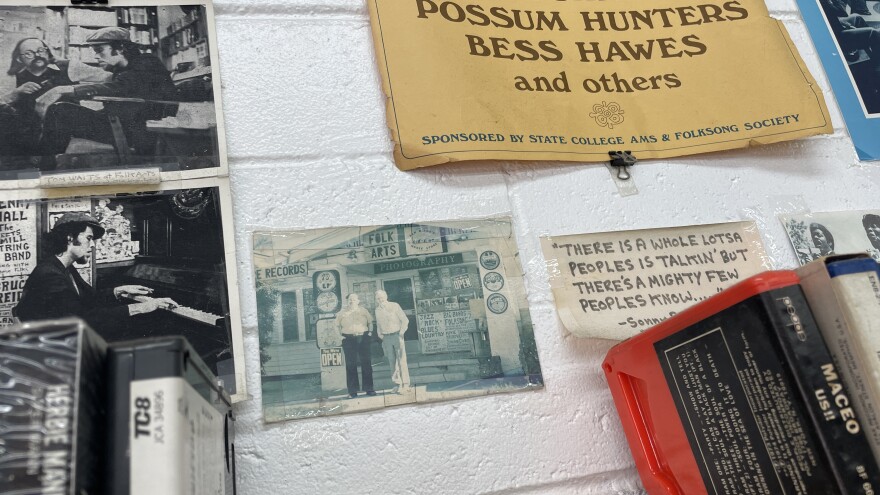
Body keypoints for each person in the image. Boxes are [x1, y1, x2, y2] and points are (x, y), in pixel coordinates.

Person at [35, 27, 176, 169]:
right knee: (62, 110)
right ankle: (48, 164)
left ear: (120, 48)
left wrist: (63, 89)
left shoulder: (146, 61)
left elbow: (118, 87)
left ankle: (44, 168)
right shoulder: (123, 70)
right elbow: (119, 89)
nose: (96, 57)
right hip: (122, 125)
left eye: (99, 50)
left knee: (60, 111)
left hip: (140, 133)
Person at [14, 212, 177, 331]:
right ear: (70, 238)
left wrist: (119, 290)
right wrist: (141, 308)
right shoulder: (50, 274)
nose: (92, 246)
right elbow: (84, 319)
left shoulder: (62, 266)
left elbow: (88, 298)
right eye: (89, 238)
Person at [0, 38, 75, 161]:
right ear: (19, 58)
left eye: (40, 50)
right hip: (27, 133)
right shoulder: (13, 76)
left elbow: (110, 79)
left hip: (61, 129)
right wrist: (16, 92)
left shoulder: (68, 67)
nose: (37, 55)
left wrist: (67, 89)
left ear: (47, 51)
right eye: (29, 53)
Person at [335, 293, 375, 398]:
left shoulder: (364, 311)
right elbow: (336, 326)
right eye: (349, 300)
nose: (352, 301)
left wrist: (370, 333)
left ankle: (369, 389)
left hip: (363, 337)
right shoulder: (342, 313)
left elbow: (370, 322)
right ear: (347, 301)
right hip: (348, 339)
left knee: (366, 363)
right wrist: (340, 337)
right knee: (350, 364)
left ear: (358, 301)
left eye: (354, 299)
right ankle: (352, 391)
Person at [374, 290, 411, 394]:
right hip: (386, 337)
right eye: (378, 298)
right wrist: (380, 334)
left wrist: (401, 332)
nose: (380, 300)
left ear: (386, 297)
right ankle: (397, 384)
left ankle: (406, 385)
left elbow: (405, 320)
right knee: (391, 361)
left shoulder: (394, 306)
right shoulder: (377, 310)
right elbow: (378, 324)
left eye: (381, 297)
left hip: (396, 335)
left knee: (401, 360)